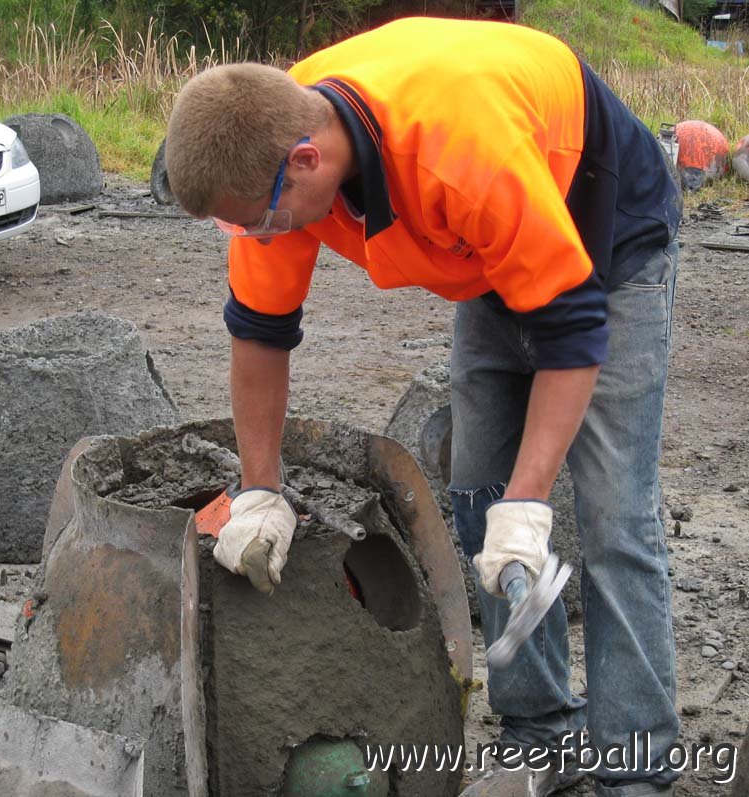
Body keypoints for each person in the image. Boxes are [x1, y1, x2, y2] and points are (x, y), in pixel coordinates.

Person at [165, 17, 681, 797]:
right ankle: (539, 728)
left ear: (306, 162)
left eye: (260, 219)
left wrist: (533, 498)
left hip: (602, 232)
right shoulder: (262, 141)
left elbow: (573, 329)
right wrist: (260, 488)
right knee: (477, 495)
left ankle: (635, 766)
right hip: (491, 250)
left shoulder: (459, 156)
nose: (257, 236)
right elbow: (260, 334)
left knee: (613, 517)